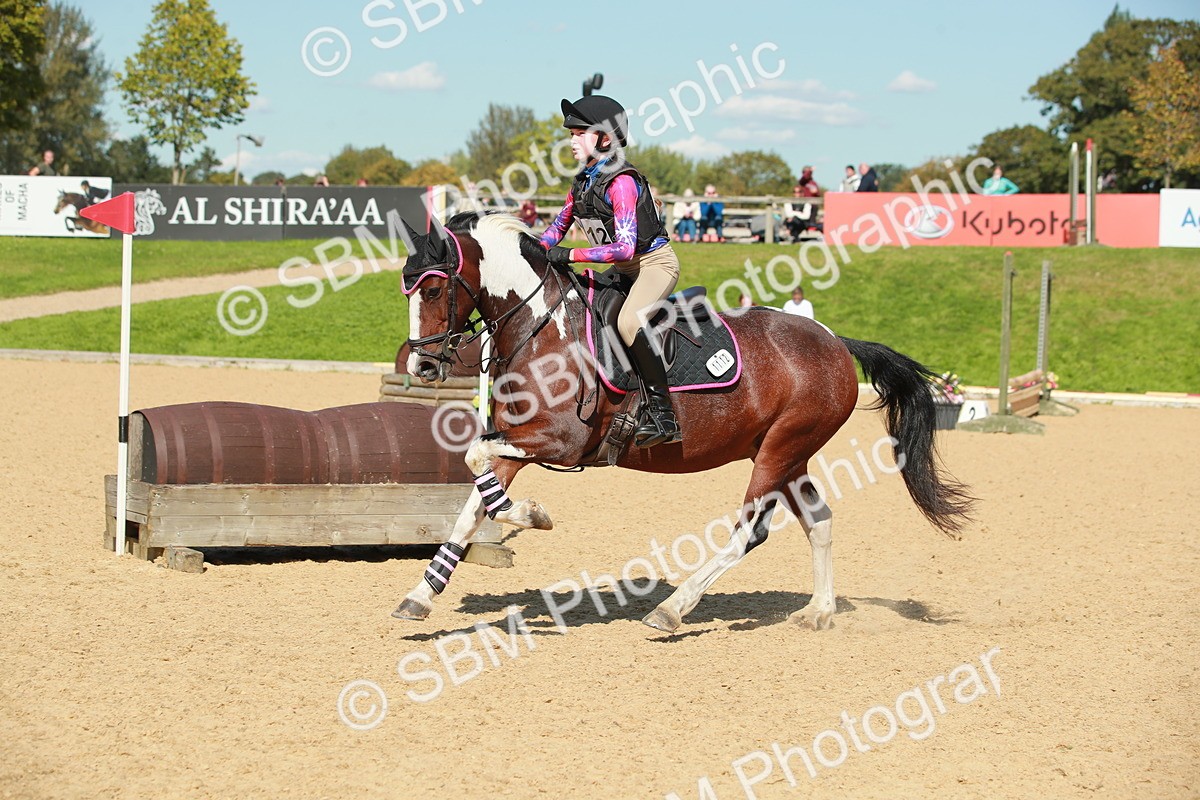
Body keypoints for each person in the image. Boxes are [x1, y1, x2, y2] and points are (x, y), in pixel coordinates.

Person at [540, 94, 681, 447]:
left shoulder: (622, 182)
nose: (571, 140)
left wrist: (570, 255)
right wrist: (526, 249)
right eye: (570, 134)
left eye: (578, 133)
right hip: (623, 270)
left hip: (653, 265)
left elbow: (625, 247)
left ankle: (664, 415)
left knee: (629, 322)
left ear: (604, 137)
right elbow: (555, 230)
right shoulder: (583, 183)